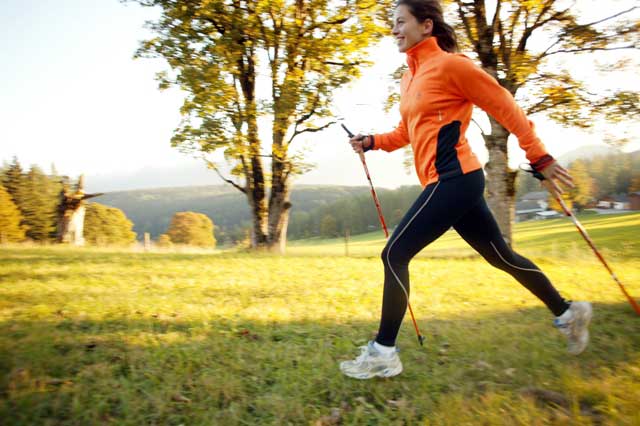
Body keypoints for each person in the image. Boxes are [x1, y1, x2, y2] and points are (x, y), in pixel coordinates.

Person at [340, 0, 592, 380]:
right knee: (501, 256)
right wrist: (372, 141)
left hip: (454, 178)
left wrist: (538, 156)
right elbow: (407, 132)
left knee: (394, 253)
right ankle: (569, 313)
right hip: (452, 180)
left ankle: (383, 352)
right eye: (392, 23)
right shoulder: (409, 77)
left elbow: (505, 106)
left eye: (401, 21)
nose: (394, 29)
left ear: (426, 25)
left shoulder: (453, 66)